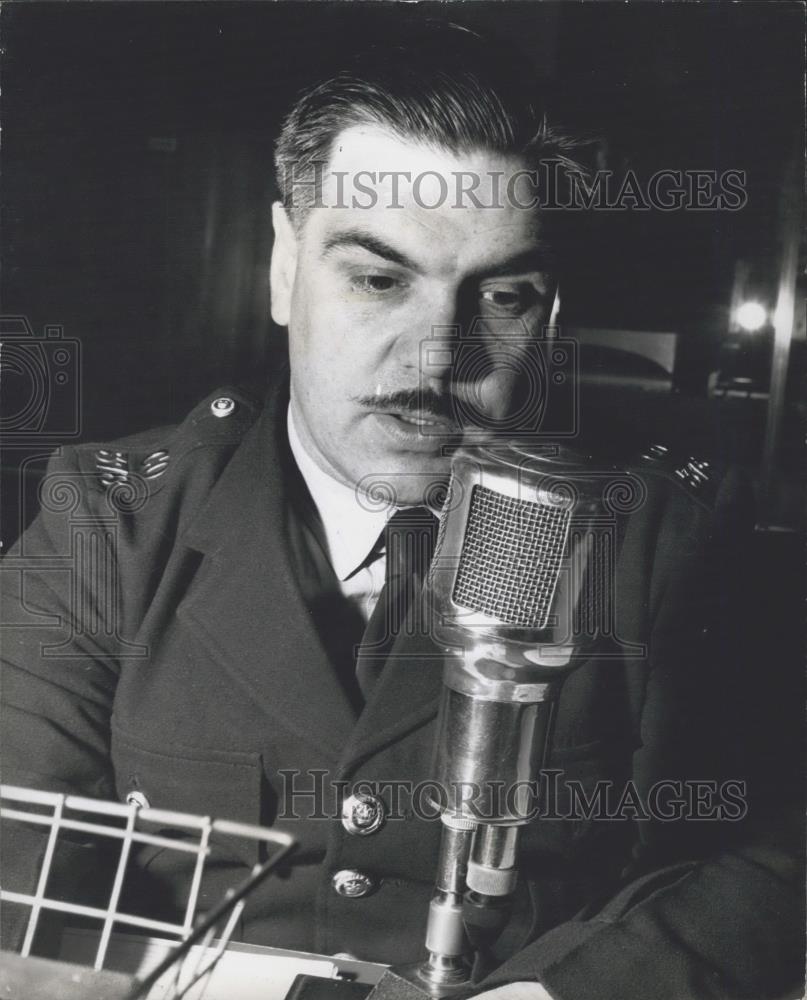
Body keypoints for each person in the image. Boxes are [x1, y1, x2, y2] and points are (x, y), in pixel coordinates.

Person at [1, 21, 802, 1000]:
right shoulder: (110, 522)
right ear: (283, 267)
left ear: (549, 319)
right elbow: (17, 855)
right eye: (380, 279)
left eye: (501, 296)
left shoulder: (664, 540)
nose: (435, 357)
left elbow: (766, 858)